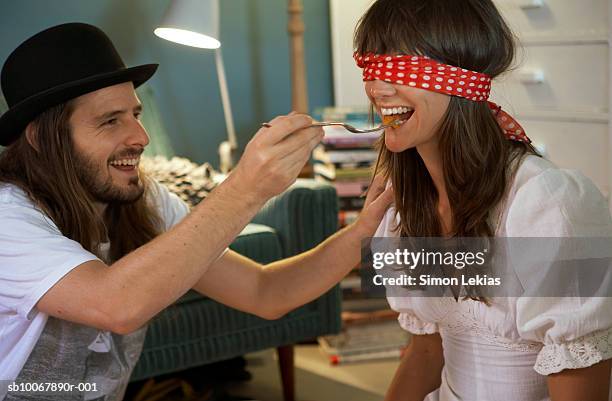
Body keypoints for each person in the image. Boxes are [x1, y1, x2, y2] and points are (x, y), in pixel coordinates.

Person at [0, 23, 394, 400]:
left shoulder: (145, 202)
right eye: (109, 121)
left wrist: (364, 230)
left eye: (135, 115)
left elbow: (265, 292)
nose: (140, 137)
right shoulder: (8, 217)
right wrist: (247, 188)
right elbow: (115, 305)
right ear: (40, 137)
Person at [352, 0, 612, 400]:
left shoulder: (546, 205)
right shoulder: (405, 205)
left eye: (400, 66)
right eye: (371, 64)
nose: (377, 88)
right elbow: (424, 353)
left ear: (462, 81)